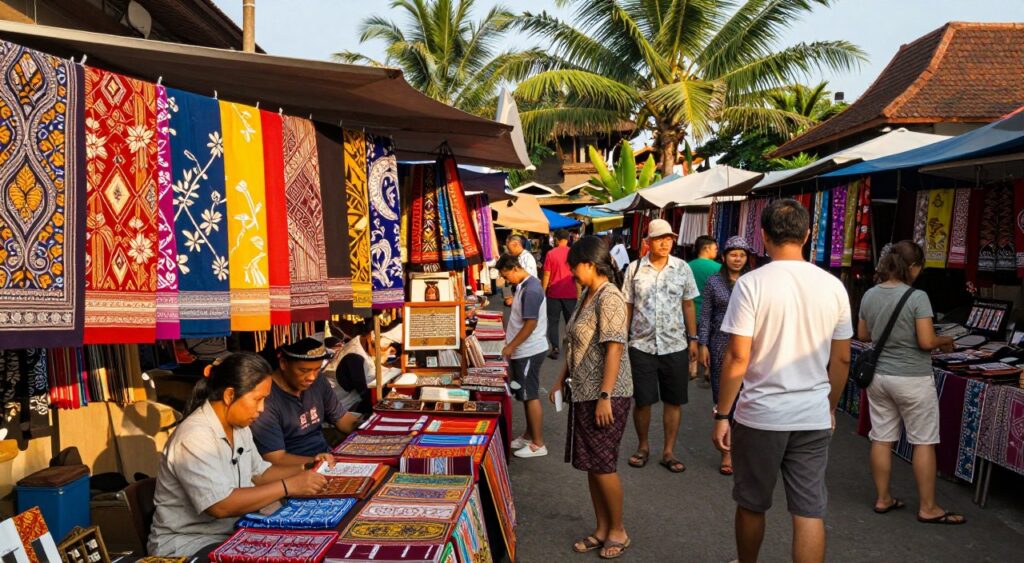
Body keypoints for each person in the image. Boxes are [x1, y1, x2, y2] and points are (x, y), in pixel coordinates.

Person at [712, 199, 852, 563]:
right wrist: (831, 405)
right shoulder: (833, 286)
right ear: (807, 235)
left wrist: (722, 413)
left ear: (762, 237)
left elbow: (738, 356)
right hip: (812, 413)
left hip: (761, 414)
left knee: (752, 503)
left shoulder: (751, 284)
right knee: (808, 510)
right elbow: (841, 358)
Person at [148, 353, 328, 557]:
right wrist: (288, 486)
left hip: (232, 532)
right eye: (257, 399)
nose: (261, 409)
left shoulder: (240, 427)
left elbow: (259, 473)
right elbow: (220, 506)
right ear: (229, 395)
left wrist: (304, 468)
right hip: (189, 544)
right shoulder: (194, 436)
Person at [857, 241, 965, 525]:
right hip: (913, 378)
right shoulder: (918, 297)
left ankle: (883, 498)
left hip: (879, 377)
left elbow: (863, 335)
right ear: (914, 267)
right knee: (923, 442)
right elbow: (926, 341)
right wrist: (945, 340)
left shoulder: (870, 294)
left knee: (881, 438)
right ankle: (928, 507)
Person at [550, 235, 633, 559]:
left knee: (603, 465)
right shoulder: (588, 293)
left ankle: (618, 530)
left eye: (574, 265)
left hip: (606, 394)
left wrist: (605, 395)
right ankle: (601, 528)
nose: (571, 271)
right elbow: (573, 345)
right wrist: (559, 381)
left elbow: (614, 348)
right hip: (582, 391)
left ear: (589, 263)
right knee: (591, 465)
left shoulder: (609, 296)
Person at [623, 218, 699, 474]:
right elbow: (628, 305)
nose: (666, 242)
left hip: (675, 344)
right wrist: (622, 340)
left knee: (673, 400)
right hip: (641, 345)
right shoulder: (634, 269)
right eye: (659, 238)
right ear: (648, 242)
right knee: (643, 401)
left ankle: (668, 451)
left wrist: (694, 339)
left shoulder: (682, 268)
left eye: (669, 238)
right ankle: (643, 446)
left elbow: (688, 304)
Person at [251, 338, 361, 466]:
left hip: (325, 457)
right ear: (283, 364)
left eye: (317, 369)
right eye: (304, 371)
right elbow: (275, 458)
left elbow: (342, 419)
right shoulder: (266, 399)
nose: (311, 377)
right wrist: (316, 461)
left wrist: (366, 429)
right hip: (296, 470)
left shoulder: (318, 381)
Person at [698, 236, 752, 476]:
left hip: (750, 347)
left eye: (742, 254)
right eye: (733, 254)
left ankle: (745, 450)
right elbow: (706, 315)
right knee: (724, 398)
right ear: (724, 256)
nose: (737, 258)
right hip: (720, 346)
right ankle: (727, 453)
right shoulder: (713, 282)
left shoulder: (753, 282)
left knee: (748, 398)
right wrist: (702, 345)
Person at [497, 253, 550, 458]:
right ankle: (529, 435)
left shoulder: (532, 289)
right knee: (525, 394)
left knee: (530, 395)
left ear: (515, 269)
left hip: (529, 349)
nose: (505, 279)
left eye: (505, 275)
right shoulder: (525, 286)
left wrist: (511, 346)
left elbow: (530, 323)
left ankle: (538, 443)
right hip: (524, 349)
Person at [334, 322, 399, 418]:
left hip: (354, 403)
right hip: (344, 410)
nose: (389, 352)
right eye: (388, 347)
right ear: (373, 336)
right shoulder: (354, 356)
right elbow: (365, 394)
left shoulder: (363, 346)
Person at [689, 235, 721, 386]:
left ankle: (693, 369)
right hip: (709, 312)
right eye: (715, 248)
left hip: (690, 310)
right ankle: (707, 370)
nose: (716, 251)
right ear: (706, 248)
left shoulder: (687, 266)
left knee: (691, 339)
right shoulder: (718, 268)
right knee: (707, 341)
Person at [542, 229, 578, 359]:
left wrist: (543, 291)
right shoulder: (573, 253)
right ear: (568, 239)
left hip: (554, 293)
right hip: (571, 293)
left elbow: (546, 274)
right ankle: (574, 348)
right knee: (571, 321)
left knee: (553, 322)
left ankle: (555, 348)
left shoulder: (551, 254)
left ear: (556, 239)